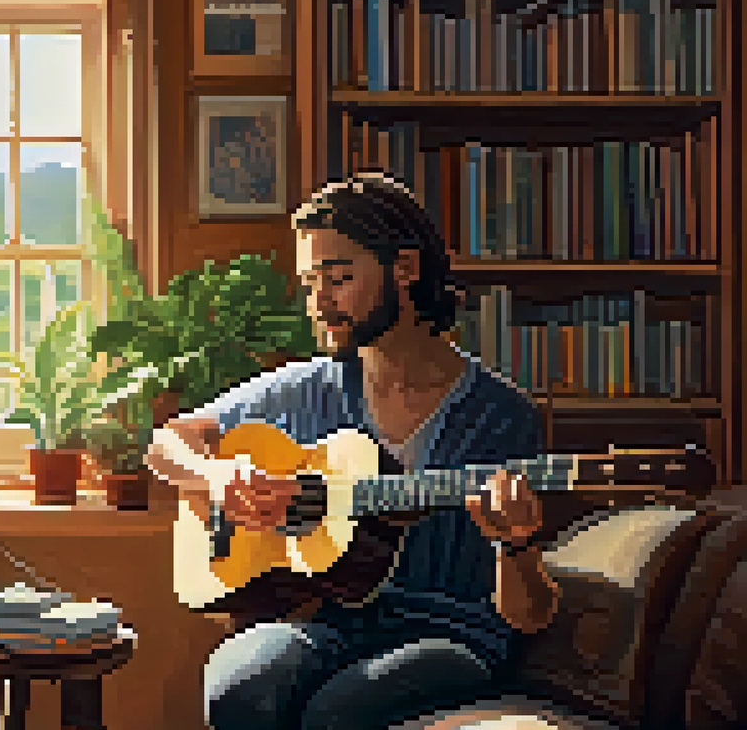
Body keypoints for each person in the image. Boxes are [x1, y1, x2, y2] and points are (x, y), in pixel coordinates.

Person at [148, 171, 560, 730]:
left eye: (338, 278)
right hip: (319, 618)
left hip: (449, 637)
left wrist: (517, 545)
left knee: (336, 716)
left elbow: (529, 616)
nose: (319, 302)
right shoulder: (304, 387)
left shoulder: (500, 416)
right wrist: (219, 479)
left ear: (406, 269)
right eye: (310, 282)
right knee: (242, 684)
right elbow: (168, 443)